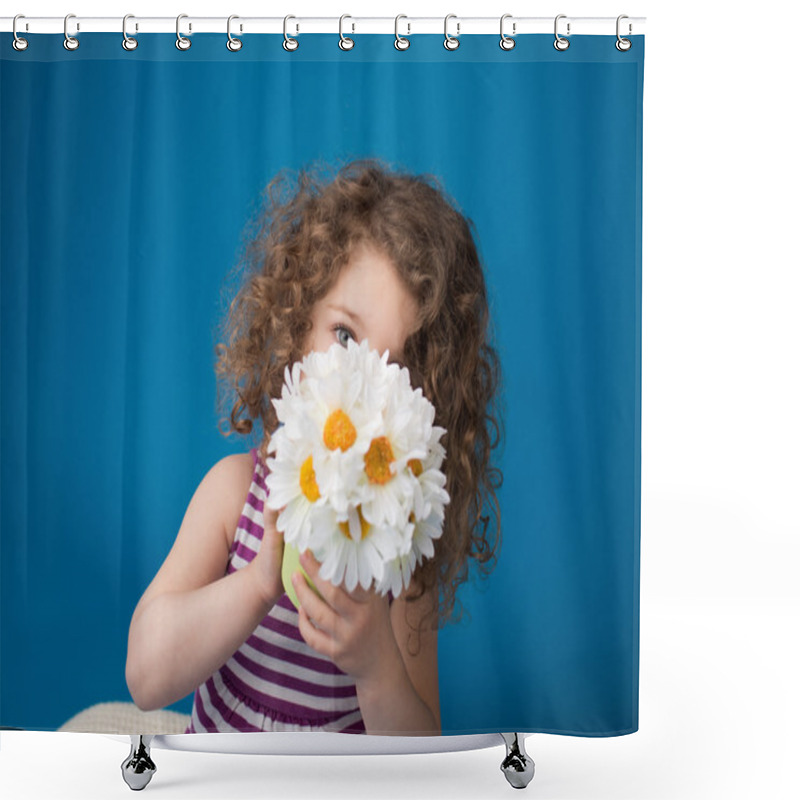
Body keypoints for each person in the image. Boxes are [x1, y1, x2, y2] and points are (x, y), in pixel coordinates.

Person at [125, 158, 504, 735]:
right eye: (345, 334)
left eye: (397, 366)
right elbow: (146, 678)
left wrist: (378, 667)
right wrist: (256, 584)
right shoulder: (235, 495)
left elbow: (417, 755)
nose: (364, 380)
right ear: (296, 326)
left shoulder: (400, 554)